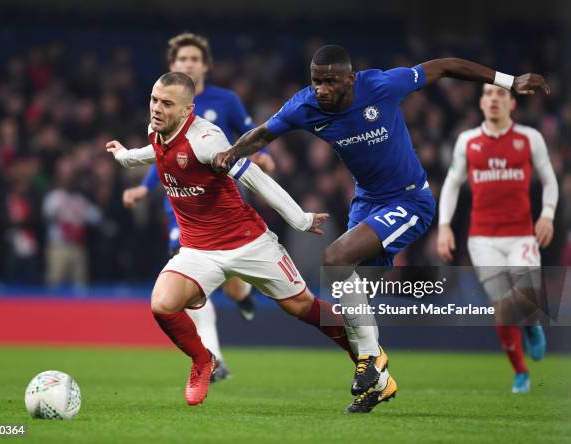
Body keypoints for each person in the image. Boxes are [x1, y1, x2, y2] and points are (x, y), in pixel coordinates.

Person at [212, 45, 550, 413]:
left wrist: (510, 80)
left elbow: (447, 65)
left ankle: (371, 361)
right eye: (316, 81)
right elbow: (262, 134)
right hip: (367, 204)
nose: (322, 89)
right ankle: (379, 383)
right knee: (356, 303)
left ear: (350, 78)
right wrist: (230, 154)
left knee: (334, 258)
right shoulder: (304, 106)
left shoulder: (382, 86)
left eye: (330, 82)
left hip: (409, 201)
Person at [106, 72, 362, 407]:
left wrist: (299, 218)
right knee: (162, 304)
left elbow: (253, 176)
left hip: (247, 243)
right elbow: (153, 152)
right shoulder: (156, 129)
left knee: (301, 306)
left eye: (166, 103)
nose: (156, 108)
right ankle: (203, 360)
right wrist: (125, 157)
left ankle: (363, 352)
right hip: (198, 249)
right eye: (154, 99)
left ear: (187, 111)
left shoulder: (206, 140)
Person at [122, 33, 274, 382]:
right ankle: (214, 358)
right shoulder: (164, 107)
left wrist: (262, 156)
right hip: (180, 208)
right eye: (181, 60)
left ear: (205, 65)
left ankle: (242, 293)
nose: (187, 64)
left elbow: (251, 136)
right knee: (190, 279)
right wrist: (145, 191)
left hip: (219, 205)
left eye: (193, 59)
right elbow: (160, 158)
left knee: (232, 283)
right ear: (172, 66)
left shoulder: (227, 101)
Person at [437, 84, 558, 393]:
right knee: (502, 305)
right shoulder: (468, 141)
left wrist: (547, 214)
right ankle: (520, 371)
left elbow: (549, 179)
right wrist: (445, 226)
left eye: (500, 94)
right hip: (483, 239)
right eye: (488, 93)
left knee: (526, 295)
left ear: (512, 103)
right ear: (481, 102)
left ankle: (531, 325)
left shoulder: (529, 139)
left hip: (521, 236)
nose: (494, 99)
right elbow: (451, 184)